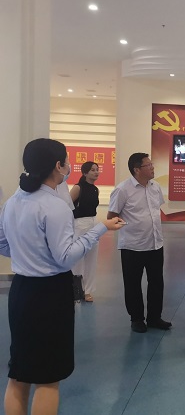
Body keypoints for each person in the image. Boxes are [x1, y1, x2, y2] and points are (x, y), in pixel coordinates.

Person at [0, 138, 123, 415]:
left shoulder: (13, 202)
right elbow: (65, 257)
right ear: (58, 166)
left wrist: (26, 253)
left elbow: (2, 242)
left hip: (21, 291)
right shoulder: (55, 207)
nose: (69, 166)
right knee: (48, 378)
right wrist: (100, 228)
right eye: (67, 161)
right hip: (50, 295)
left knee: (19, 372)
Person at [107, 153, 172, 333]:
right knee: (133, 284)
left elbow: (155, 210)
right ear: (137, 169)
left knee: (156, 282)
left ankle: (154, 317)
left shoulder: (155, 187)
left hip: (155, 243)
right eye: (148, 165)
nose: (152, 167)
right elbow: (112, 216)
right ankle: (136, 319)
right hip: (132, 246)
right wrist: (131, 228)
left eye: (152, 164)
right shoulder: (122, 190)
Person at [70, 161, 101, 302]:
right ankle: (76, 289)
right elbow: (67, 207)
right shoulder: (78, 188)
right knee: (77, 258)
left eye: (97, 169)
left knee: (91, 259)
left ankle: (88, 291)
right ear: (85, 173)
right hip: (79, 224)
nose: (96, 172)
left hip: (93, 223)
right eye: (92, 170)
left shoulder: (96, 189)